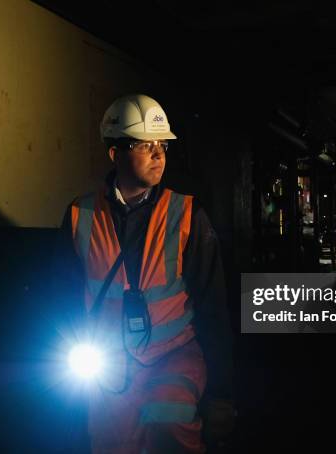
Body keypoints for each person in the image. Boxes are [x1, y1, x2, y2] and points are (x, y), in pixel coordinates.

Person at [52, 94, 235, 453]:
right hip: (107, 363)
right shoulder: (80, 215)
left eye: (162, 145)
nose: (158, 155)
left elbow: (214, 306)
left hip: (173, 355)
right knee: (111, 443)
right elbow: (62, 295)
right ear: (114, 153)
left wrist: (222, 394)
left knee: (168, 418)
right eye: (144, 144)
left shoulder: (186, 215)